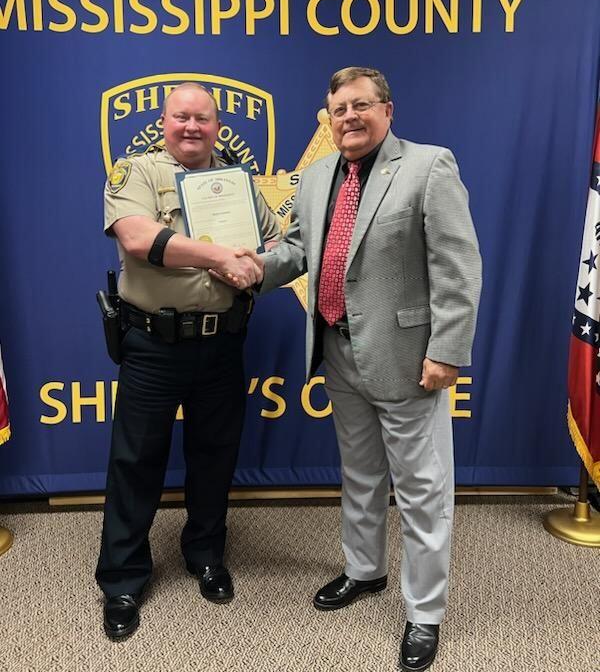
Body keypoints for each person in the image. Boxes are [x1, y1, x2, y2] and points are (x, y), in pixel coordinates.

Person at [235, 67, 481, 671]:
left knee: (422, 491)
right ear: (328, 117)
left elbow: (458, 267)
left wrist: (446, 350)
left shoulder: (428, 166)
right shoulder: (318, 177)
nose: (349, 116)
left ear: (387, 111)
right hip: (338, 350)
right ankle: (365, 570)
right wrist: (253, 268)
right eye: (338, 108)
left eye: (361, 105)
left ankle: (425, 612)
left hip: (406, 358)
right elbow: (297, 248)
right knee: (362, 475)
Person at [96, 82, 278, 641]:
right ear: (165, 122)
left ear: (217, 126)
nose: (192, 127)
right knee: (137, 461)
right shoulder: (136, 173)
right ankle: (123, 578)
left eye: (202, 118)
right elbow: (135, 237)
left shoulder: (239, 183)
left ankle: (205, 554)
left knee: (215, 455)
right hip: (154, 344)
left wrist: (258, 265)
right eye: (181, 117)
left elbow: (274, 243)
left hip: (223, 342)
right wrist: (221, 255)